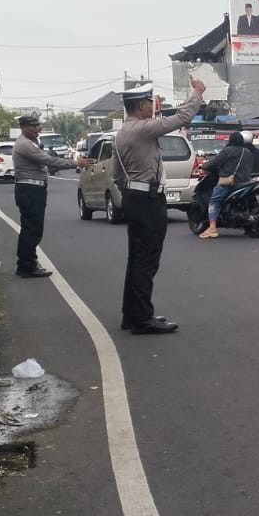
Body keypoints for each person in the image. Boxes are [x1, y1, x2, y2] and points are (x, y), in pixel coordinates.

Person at [113, 79, 204, 333]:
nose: (153, 107)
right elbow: (183, 117)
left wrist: (130, 195)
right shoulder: (142, 129)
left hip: (135, 197)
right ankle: (142, 319)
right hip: (147, 200)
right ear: (142, 105)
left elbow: (117, 175)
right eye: (151, 102)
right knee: (147, 260)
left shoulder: (123, 132)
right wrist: (197, 91)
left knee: (137, 258)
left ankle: (131, 314)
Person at [9, 115, 78, 277]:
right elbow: (48, 160)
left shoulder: (30, 143)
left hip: (32, 189)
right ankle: (26, 266)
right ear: (24, 127)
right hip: (30, 190)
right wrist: (75, 163)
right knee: (31, 229)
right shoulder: (25, 145)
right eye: (34, 126)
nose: (38, 129)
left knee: (32, 228)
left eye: (39, 125)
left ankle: (28, 263)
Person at [200, 130, 259, 239]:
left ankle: (212, 228)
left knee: (214, 201)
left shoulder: (228, 150)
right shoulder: (247, 152)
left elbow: (215, 162)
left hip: (228, 182)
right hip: (245, 182)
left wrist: (204, 166)